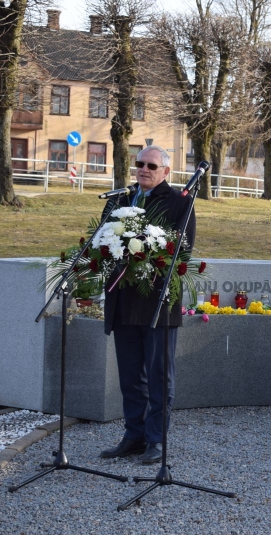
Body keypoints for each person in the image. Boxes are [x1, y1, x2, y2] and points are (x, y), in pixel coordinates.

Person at [100, 145, 195, 464]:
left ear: (166, 171)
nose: (144, 169)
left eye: (151, 165)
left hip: (157, 302)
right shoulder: (120, 199)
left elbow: (182, 253)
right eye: (139, 163)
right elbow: (101, 241)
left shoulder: (179, 202)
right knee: (130, 375)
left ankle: (156, 439)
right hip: (123, 300)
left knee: (158, 375)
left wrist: (147, 260)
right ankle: (134, 434)